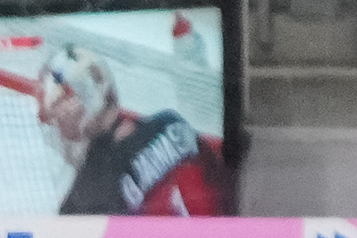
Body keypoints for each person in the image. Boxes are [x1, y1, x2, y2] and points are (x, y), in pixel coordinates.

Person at [40, 41, 221, 215]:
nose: (57, 130)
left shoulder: (90, 190)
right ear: (111, 94)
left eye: (59, 120)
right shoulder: (171, 121)